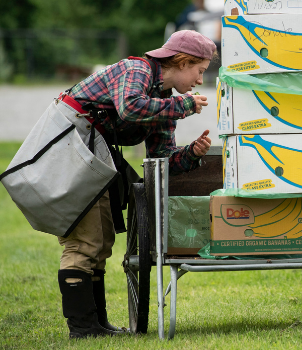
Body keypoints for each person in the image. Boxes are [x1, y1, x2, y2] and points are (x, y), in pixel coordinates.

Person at [1, 30, 215, 339]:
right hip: (72, 149)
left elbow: (161, 159)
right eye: (200, 70)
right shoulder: (136, 70)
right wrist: (185, 106)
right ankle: (83, 329)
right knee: (84, 244)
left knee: (100, 242)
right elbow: (130, 107)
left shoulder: (166, 104)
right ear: (183, 61)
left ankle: (97, 326)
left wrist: (191, 154)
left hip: (91, 154)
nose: (199, 79)